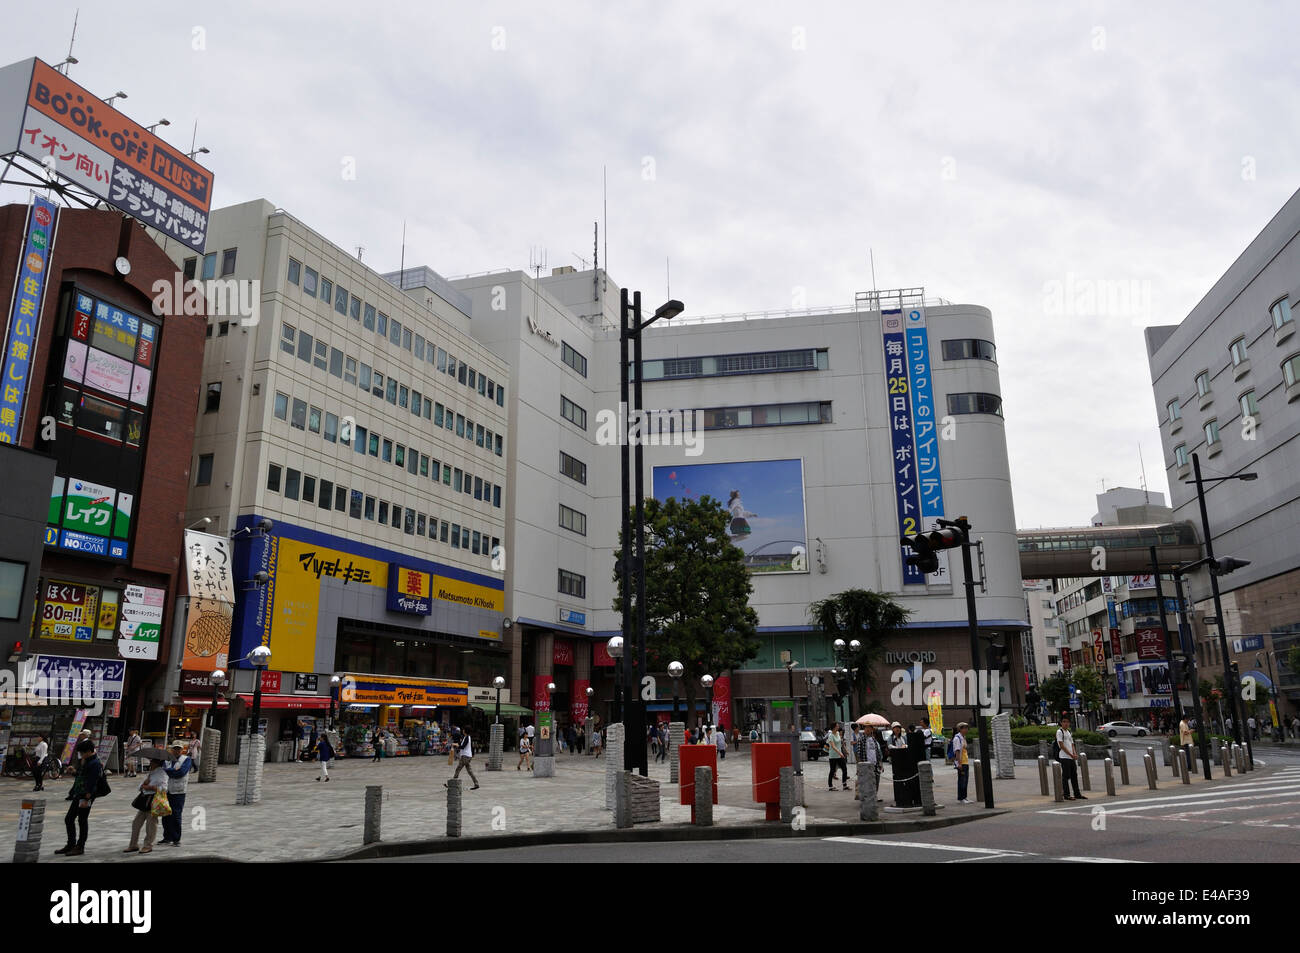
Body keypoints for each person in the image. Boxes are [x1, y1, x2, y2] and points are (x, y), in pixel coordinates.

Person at [56, 739, 103, 857]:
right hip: (79, 793)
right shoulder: (86, 761)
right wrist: (74, 772)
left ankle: (80, 846)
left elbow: (92, 782)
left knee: (82, 820)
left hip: (86, 795)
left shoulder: (95, 763)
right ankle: (71, 844)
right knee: (69, 819)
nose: (81, 755)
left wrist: (87, 798)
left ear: (88, 751)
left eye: (82, 753)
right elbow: (81, 776)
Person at [125, 756, 168, 854]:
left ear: (157, 762)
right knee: (136, 823)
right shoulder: (151, 773)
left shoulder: (162, 773)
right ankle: (133, 844)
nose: (150, 763)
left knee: (151, 825)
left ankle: (148, 845)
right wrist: (144, 784)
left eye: (152, 761)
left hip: (154, 801)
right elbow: (140, 787)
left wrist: (150, 787)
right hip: (144, 801)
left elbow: (164, 789)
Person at [160, 742, 194, 846]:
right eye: (175, 748)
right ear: (171, 749)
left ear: (182, 749)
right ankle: (167, 837)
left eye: (179, 749)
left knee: (176, 815)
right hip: (167, 791)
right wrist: (172, 770)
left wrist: (169, 771)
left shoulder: (186, 759)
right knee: (165, 815)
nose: (177, 750)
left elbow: (181, 773)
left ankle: (176, 839)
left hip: (178, 792)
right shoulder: (167, 760)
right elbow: (163, 771)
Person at [1056, 714, 1085, 801]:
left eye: (1067, 722)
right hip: (1064, 757)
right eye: (1064, 722)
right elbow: (1061, 745)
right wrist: (1070, 754)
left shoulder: (1068, 732)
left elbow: (1072, 744)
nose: (1066, 723)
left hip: (1071, 757)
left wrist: (1074, 753)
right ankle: (1066, 794)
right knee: (1066, 776)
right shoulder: (1059, 732)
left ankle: (1077, 794)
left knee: (1074, 776)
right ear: (1061, 723)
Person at [826, 723, 849, 791]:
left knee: (844, 769)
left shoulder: (838, 733)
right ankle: (830, 786)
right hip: (833, 756)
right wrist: (840, 753)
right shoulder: (831, 736)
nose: (838, 727)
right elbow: (833, 746)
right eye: (837, 726)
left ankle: (844, 785)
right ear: (833, 727)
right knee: (832, 771)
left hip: (840, 755)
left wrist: (845, 750)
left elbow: (841, 743)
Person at [953, 722, 971, 804]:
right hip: (961, 762)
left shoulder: (963, 737)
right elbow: (957, 751)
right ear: (960, 729)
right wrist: (959, 763)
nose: (966, 730)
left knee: (965, 780)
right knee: (962, 780)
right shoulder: (957, 738)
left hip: (965, 762)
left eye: (967, 728)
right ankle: (961, 798)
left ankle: (965, 797)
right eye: (965, 728)